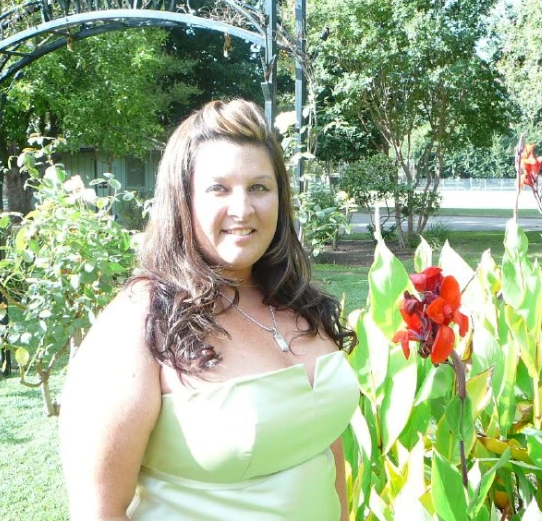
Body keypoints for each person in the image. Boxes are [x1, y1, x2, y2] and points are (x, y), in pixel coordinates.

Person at [59, 99, 359, 520]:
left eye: (259, 187)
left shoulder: (298, 302)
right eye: (219, 188)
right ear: (183, 201)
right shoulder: (139, 323)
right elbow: (97, 510)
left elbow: (323, 444)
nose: (243, 209)